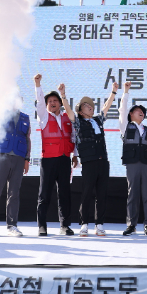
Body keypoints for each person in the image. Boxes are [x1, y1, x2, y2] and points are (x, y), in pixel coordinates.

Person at [60, 82, 119, 236]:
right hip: (89, 161)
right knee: (87, 193)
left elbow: (106, 106)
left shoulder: (98, 120)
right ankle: (84, 223)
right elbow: (68, 110)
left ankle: (99, 224)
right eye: (86, 105)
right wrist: (63, 96)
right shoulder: (78, 122)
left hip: (103, 161)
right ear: (80, 110)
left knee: (102, 193)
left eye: (91, 105)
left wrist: (113, 92)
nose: (90, 107)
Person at [34, 73, 78, 236]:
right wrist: (38, 84)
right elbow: (39, 102)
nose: (52, 103)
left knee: (65, 193)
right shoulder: (44, 117)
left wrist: (75, 155)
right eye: (49, 101)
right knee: (44, 193)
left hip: (65, 159)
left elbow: (73, 137)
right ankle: (42, 225)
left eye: (55, 101)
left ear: (60, 103)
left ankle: (65, 225)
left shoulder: (67, 117)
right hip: (49, 159)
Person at [119, 81, 147, 236]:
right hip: (132, 164)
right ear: (131, 114)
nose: (140, 112)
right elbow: (122, 109)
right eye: (137, 111)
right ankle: (131, 224)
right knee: (133, 194)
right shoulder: (125, 126)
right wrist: (126, 91)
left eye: (142, 111)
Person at [0, 109, 31, 237]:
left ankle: (12, 226)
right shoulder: (1, 113)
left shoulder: (25, 118)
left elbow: (27, 139)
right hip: (2, 156)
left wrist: (27, 159)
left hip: (19, 158)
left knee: (14, 193)